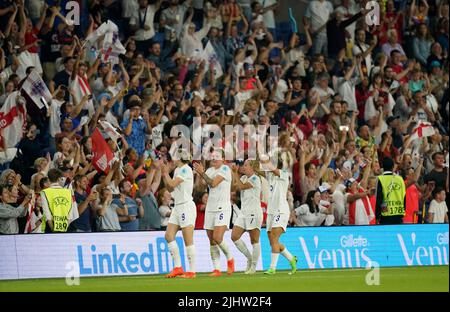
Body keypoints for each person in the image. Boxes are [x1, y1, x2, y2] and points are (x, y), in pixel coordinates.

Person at [194, 151, 235, 277]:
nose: (214, 158)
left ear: (223, 158)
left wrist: (202, 172)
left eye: (217, 156)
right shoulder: (210, 170)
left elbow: (213, 183)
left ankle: (230, 258)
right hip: (210, 208)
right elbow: (200, 187)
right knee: (211, 240)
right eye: (213, 156)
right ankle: (217, 269)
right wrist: (199, 174)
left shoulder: (225, 169)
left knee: (217, 238)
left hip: (223, 208)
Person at [161, 150, 197, 278]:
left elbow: (171, 183)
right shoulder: (177, 170)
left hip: (186, 206)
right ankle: (178, 267)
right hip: (177, 206)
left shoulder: (185, 169)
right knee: (169, 235)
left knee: (188, 239)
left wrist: (165, 173)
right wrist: (166, 174)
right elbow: (170, 188)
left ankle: (192, 271)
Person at [260, 155, 297, 275]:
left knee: (275, 238)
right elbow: (258, 170)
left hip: (281, 210)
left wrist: (263, 158)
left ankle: (272, 268)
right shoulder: (269, 175)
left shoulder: (284, 174)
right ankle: (292, 259)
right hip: (271, 212)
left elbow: (269, 166)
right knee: (273, 242)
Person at [231, 160, 263, 275]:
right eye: (243, 165)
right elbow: (235, 187)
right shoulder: (244, 178)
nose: (243, 167)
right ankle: (249, 258)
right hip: (244, 212)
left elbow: (242, 187)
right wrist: (234, 174)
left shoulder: (255, 179)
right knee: (234, 236)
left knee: (254, 240)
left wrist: (235, 173)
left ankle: (253, 267)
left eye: (246, 165)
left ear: (252, 167)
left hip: (253, 212)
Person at [375, 157, 406, 225]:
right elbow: (404, 196)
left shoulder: (380, 178)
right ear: (393, 167)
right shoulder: (400, 179)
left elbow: (379, 199)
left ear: (382, 166)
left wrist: (377, 217)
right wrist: (403, 211)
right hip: (399, 213)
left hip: (386, 215)